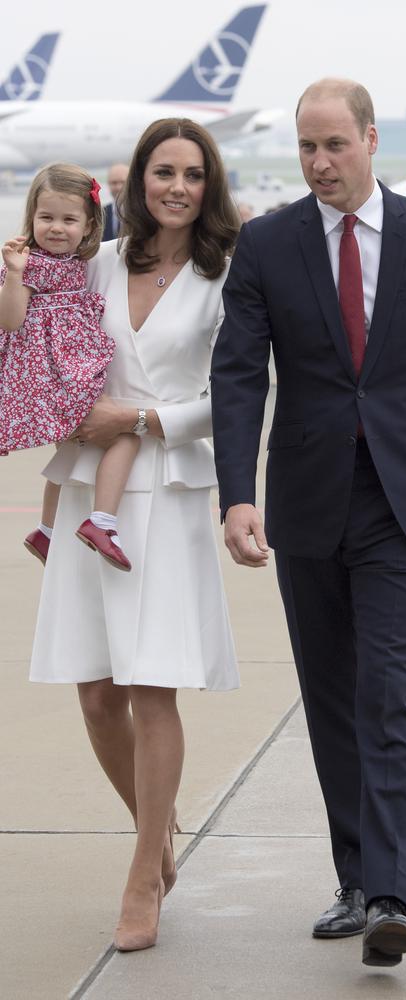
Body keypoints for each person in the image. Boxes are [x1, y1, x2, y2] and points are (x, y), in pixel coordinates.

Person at [210, 77, 406, 968]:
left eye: (334, 146)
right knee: (334, 698)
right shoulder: (269, 244)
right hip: (307, 505)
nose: (318, 164)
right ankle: (355, 874)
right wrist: (238, 493)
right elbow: (238, 376)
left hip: (405, 500)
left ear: (372, 141)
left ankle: (389, 893)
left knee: (386, 692)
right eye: (307, 147)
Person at [29, 118, 240, 951]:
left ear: (209, 183)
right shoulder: (101, 262)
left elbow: (238, 393)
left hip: (170, 491)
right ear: (138, 182)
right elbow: (45, 348)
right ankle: (160, 831)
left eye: (192, 173)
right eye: (163, 171)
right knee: (94, 690)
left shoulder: (229, 276)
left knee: (152, 688)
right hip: (92, 487)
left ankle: (142, 871)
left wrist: (148, 417)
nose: (177, 187)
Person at [0, 163, 139, 571]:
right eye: (46, 217)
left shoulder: (84, 261)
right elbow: (9, 320)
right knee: (127, 430)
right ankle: (102, 523)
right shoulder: (30, 264)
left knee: (74, 446)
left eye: (68, 219)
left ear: (90, 223)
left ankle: (45, 532)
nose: (56, 228)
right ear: (31, 217)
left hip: (67, 369)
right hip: (51, 376)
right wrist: (13, 273)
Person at [102, 162, 129, 241]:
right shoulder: (101, 214)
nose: (118, 187)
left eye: (123, 182)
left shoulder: (142, 212)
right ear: (108, 184)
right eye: (114, 183)